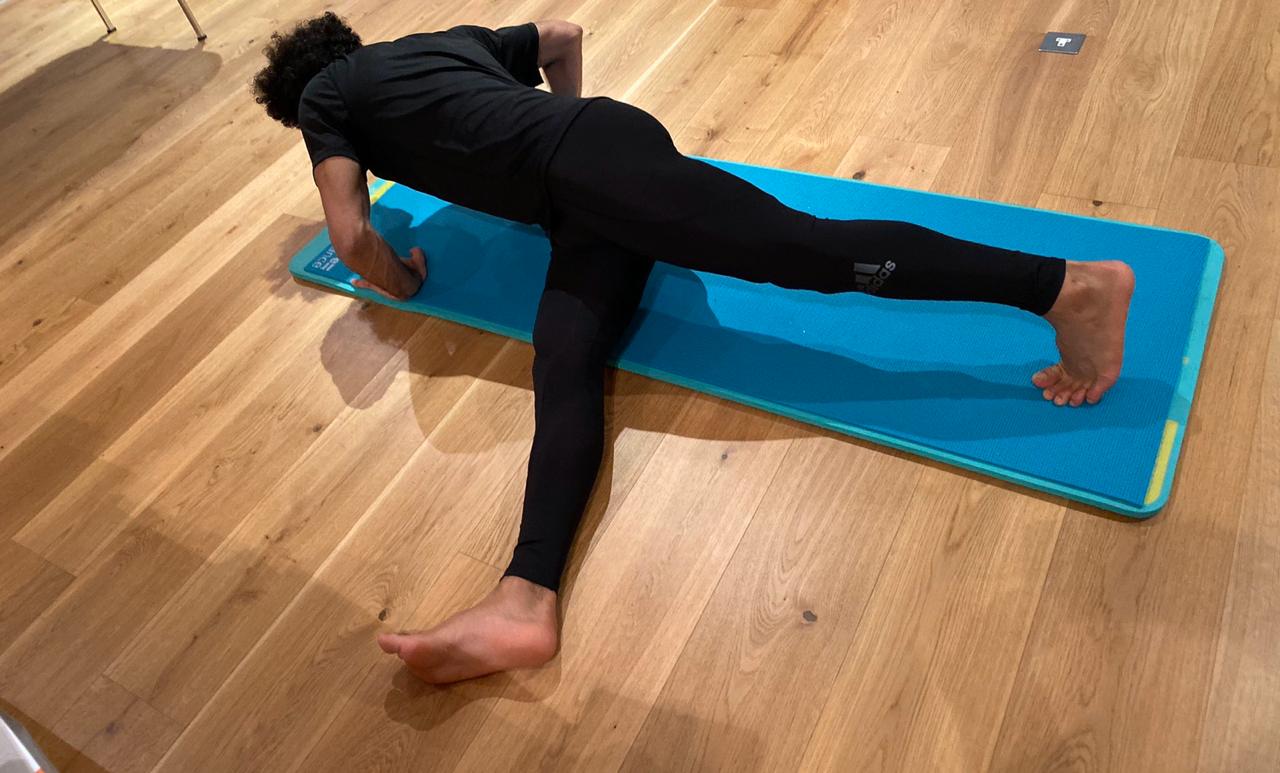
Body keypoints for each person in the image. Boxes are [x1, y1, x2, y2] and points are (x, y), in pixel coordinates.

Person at [253, 13, 1134, 684]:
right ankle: (525, 599)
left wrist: (405, 281)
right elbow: (562, 34)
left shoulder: (327, 100)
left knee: (805, 249)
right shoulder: (435, 43)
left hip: (591, 174)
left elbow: (352, 235)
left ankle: (1065, 285)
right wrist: (571, 124)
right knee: (564, 355)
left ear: (300, 100)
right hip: (598, 163)